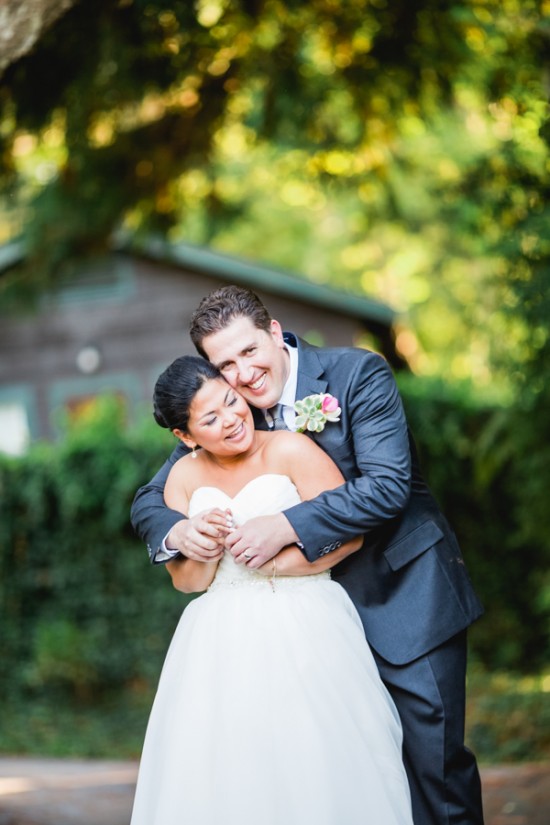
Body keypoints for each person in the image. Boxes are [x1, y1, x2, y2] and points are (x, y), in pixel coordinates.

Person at [131, 286, 485, 825]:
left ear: (274, 333)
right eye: (225, 364)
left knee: (433, 769)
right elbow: (150, 500)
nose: (243, 374)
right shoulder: (226, 409)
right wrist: (179, 536)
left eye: (249, 351)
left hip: (403, 596)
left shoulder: (356, 374)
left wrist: (286, 524)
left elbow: (389, 485)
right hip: (307, 631)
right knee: (342, 776)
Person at [130, 355, 414, 825]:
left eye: (230, 400)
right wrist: (201, 542)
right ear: (185, 436)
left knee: (315, 755)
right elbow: (187, 582)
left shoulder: (290, 449)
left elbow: (349, 537)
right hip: (217, 643)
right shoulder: (182, 478)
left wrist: (275, 560)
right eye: (210, 419)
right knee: (231, 766)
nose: (231, 419)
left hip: (306, 621)